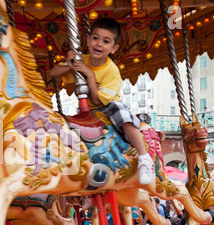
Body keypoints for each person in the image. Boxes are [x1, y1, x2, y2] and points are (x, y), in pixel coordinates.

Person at [50, 17, 154, 185]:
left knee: (122, 114)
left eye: (105, 41)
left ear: (114, 48)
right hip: (88, 111)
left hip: (108, 107)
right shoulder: (81, 59)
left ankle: (144, 158)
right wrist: (69, 64)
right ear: (88, 39)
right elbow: (53, 73)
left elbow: (99, 99)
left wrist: (89, 74)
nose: (99, 44)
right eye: (95, 38)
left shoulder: (111, 70)